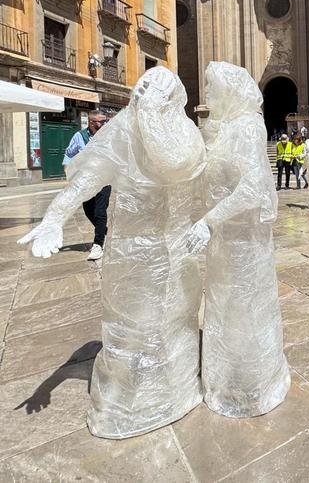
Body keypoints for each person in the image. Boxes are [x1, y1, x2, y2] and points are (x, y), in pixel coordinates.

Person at [19, 67, 207, 438]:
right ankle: (132, 404)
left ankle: (177, 389)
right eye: (142, 92)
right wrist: (55, 217)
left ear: (172, 100)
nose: (144, 99)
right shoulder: (124, 131)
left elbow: (204, 187)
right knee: (134, 328)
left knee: (176, 323)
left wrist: (210, 224)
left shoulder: (188, 135)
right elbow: (87, 179)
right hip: (134, 255)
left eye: (153, 92)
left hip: (177, 251)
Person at [186, 61, 290, 417]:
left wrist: (208, 221)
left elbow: (253, 187)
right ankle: (228, 378)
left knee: (244, 308)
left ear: (230, 92)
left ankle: (252, 385)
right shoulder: (225, 129)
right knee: (226, 307)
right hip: (225, 241)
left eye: (213, 88)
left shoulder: (247, 127)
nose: (208, 95)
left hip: (243, 241)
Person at [62, 110, 111, 261]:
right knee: (88, 210)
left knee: (99, 211)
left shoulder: (109, 136)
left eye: (105, 121)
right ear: (91, 122)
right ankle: (104, 231)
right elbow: (69, 154)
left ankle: (98, 244)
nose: (104, 124)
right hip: (86, 181)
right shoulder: (79, 137)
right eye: (101, 122)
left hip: (104, 179)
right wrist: (68, 172)